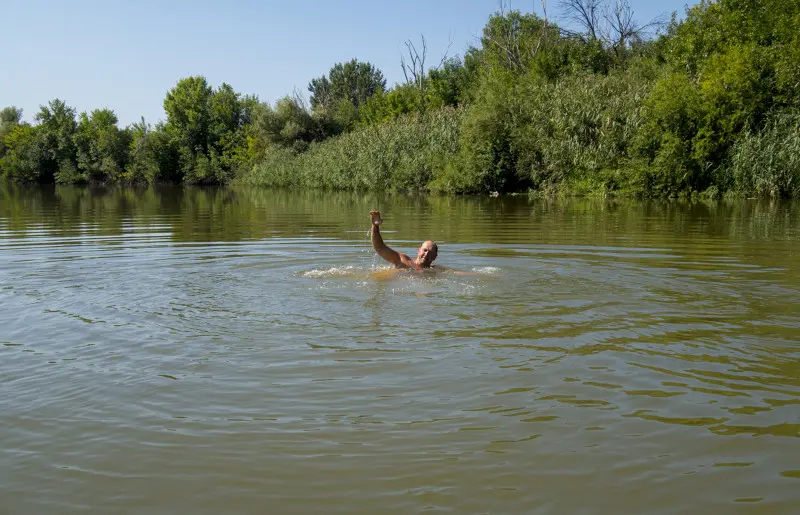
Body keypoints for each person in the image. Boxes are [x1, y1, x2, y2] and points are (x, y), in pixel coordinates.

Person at [369, 210, 439, 270]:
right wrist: (375, 226)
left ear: (435, 257)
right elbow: (380, 248)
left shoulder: (435, 270)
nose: (426, 254)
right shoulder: (403, 260)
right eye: (425, 250)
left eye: (430, 252)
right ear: (419, 250)